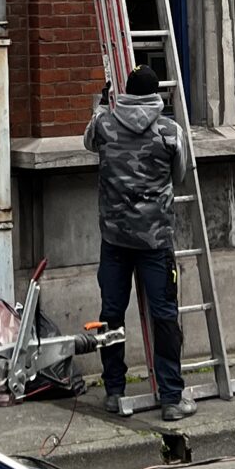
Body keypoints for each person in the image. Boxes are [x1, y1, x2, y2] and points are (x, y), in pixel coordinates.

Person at [85, 61, 193, 423]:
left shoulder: (105, 125)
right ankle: (172, 398)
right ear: (156, 95)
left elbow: (88, 141)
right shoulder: (170, 131)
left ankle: (114, 391)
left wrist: (100, 106)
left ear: (128, 93)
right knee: (164, 317)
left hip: (114, 239)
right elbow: (180, 174)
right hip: (155, 240)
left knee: (111, 314)